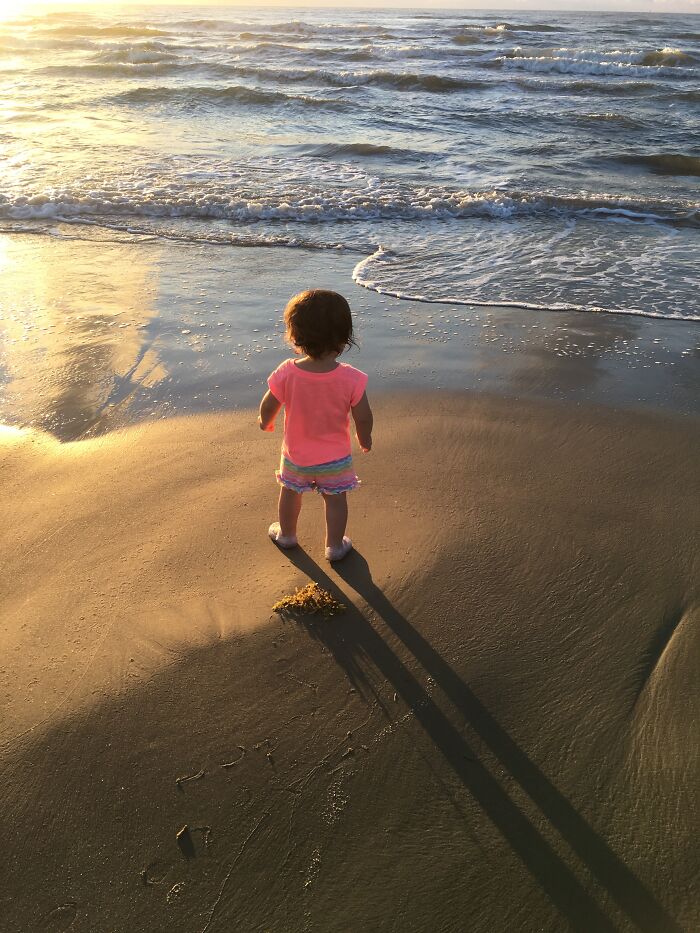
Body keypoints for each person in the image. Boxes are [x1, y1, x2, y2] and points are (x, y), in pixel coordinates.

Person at [258, 289, 373, 561]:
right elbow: (364, 416)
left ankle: (287, 535)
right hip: (335, 457)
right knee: (335, 499)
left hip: (297, 455)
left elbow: (269, 403)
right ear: (344, 338)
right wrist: (364, 438)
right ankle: (334, 546)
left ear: (295, 336)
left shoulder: (287, 371)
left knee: (290, 492)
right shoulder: (352, 378)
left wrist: (266, 422)